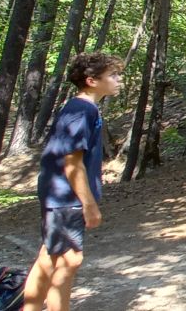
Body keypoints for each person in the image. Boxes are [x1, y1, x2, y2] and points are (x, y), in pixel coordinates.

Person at [22, 53, 123, 311]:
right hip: (65, 197)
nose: (118, 80)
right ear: (91, 80)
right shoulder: (82, 109)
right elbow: (72, 162)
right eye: (112, 75)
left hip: (58, 195)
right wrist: (89, 204)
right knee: (70, 260)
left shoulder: (83, 108)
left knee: (49, 257)